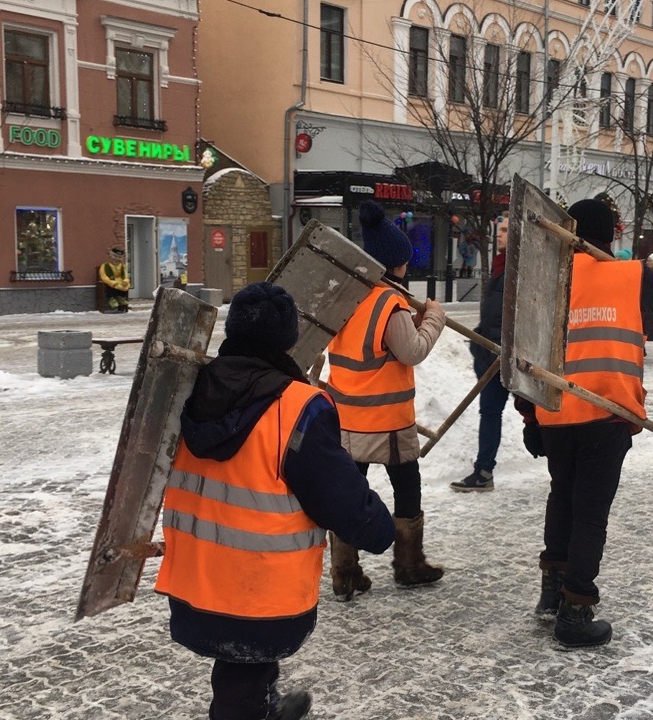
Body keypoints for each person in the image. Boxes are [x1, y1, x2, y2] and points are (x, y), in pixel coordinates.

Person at [157, 282, 395, 720]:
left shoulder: (185, 392)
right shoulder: (297, 407)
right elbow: (338, 494)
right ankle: (250, 710)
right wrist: (382, 529)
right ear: (289, 340)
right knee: (240, 680)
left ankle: (262, 705)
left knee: (239, 666)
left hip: (196, 580)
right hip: (261, 592)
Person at [518, 199, 653, 648]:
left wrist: (529, 416)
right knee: (590, 512)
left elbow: (523, 353)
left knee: (563, 498)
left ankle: (552, 591)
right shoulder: (630, 275)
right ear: (612, 234)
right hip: (606, 413)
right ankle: (575, 610)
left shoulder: (549, 279)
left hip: (555, 412)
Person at [325, 200, 447, 601]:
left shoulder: (349, 298)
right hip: (388, 421)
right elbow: (410, 351)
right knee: (407, 489)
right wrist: (433, 319)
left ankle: (344, 573)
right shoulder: (388, 303)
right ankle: (408, 566)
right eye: (404, 263)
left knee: (349, 493)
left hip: (347, 418)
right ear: (393, 264)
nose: (406, 268)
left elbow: (370, 349)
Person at [451, 219, 510, 493]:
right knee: (490, 411)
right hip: (492, 355)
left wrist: (495, 346)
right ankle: (484, 471)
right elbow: (494, 315)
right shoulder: (500, 267)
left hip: (507, 356)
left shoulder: (518, 269)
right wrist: (480, 340)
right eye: (499, 229)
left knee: (539, 415)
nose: (499, 234)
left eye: (506, 230)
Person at [99, 245, 131, 312]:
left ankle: (121, 298)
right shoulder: (105, 265)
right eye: (115, 256)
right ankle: (112, 299)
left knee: (123, 286)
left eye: (119, 257)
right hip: (111, 282)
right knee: (111, 287)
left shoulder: (122, 266)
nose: (116, 258)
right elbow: (104, 276)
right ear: (111, 255)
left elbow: (126, 276)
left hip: (120, 282)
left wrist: (125, 281)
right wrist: (112, 283)